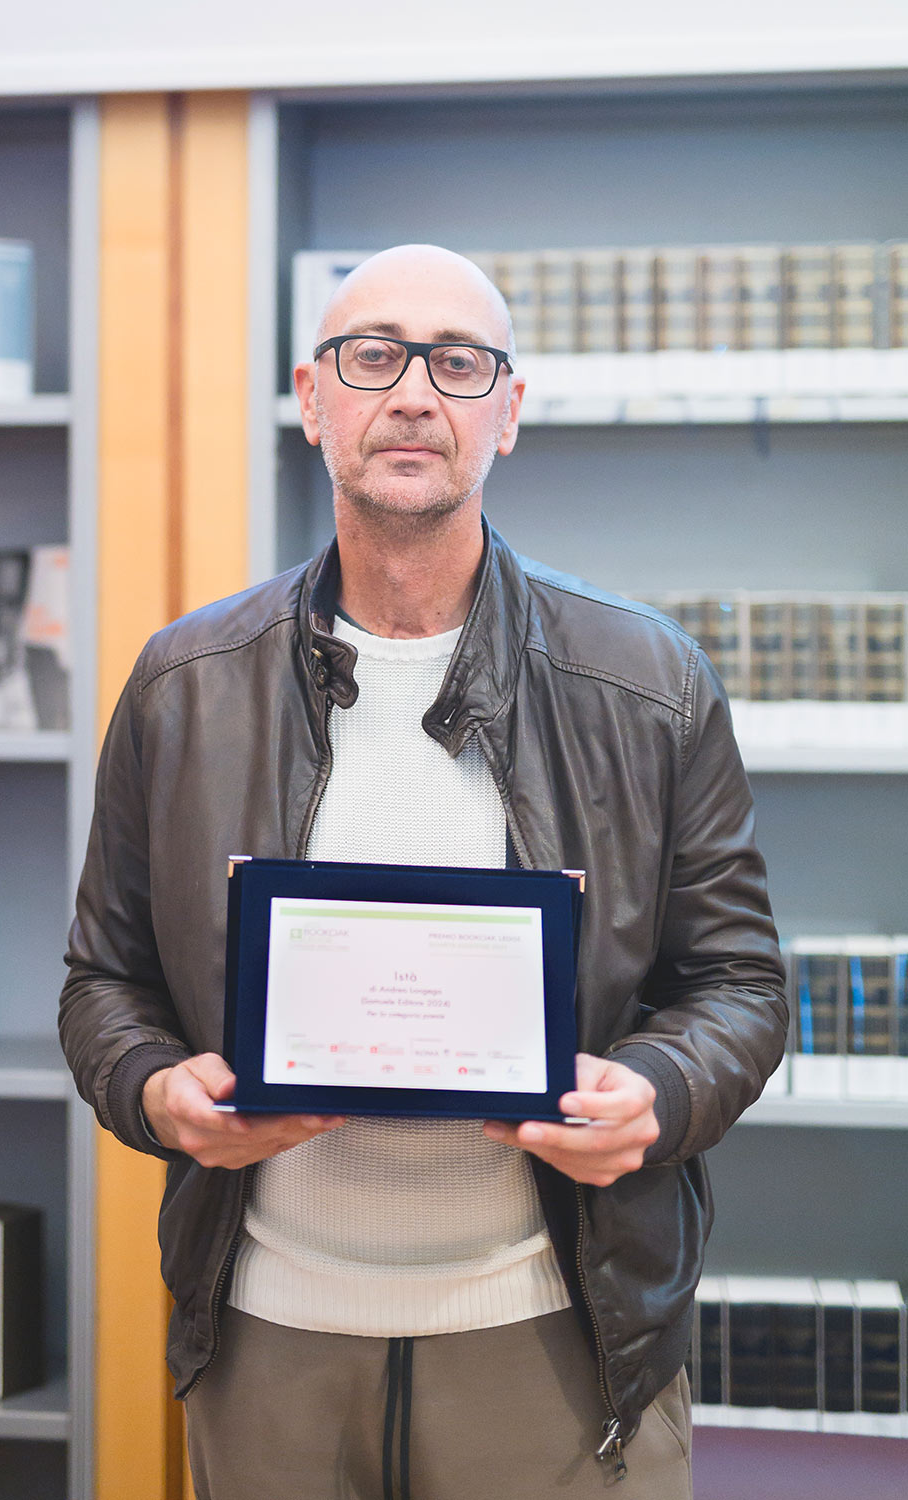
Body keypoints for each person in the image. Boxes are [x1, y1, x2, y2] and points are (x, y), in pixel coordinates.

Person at [60, 244, 787, 1499]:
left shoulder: (646, 684)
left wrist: (656, 1093)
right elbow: (100, 983)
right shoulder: (183, 685)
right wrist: (155, 1093)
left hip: (558, 1336)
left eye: (456, 363)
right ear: (312, 398)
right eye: (372, 356)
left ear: (507, 411)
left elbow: (739, 983)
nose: (410, 394)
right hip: (267, 1339)